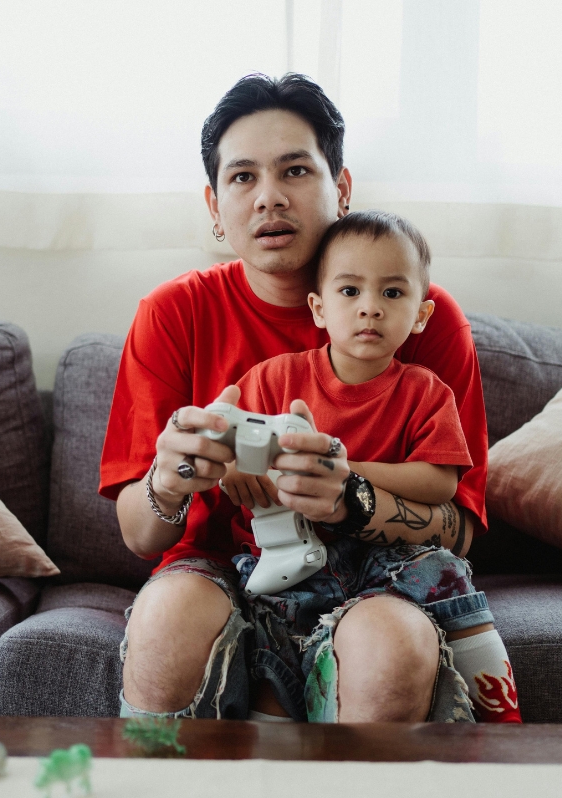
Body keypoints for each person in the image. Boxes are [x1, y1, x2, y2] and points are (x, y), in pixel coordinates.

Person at [100, 73, 489, 723]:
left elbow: (462, 529)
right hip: (215, 569)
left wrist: (348, 495)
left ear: (340, 188)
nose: (269, 197)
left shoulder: (419, 313)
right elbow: (139, 534)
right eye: (243, 177)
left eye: (295, 171)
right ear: (214, 204)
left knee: (391, 646)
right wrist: (171, 481)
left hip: (368, 578)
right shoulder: (173, 313)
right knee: (168, 619)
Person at [226, 209, 521, 724]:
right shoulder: (274, 378)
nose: (370, 309)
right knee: (268, 646)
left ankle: (500, 723)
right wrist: (234, 467)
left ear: (422, 314)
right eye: (349, 292)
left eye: (391, 293)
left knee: (448, 573)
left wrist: (345, 469)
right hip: (290, 560)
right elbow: (230, 443)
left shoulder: (427, 391)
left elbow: (440, 481)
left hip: (391, 559)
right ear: (318, 308)